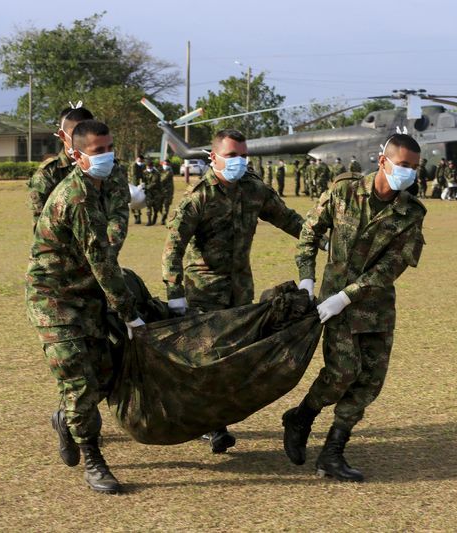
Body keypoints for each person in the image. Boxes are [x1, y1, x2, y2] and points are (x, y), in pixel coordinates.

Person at [282, 133, 426, 482]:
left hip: (373, 306)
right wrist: (306, 281)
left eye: (414, 168)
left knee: (369, 383)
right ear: (383, 161)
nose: (408, 173)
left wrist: (346, 294)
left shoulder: (412, 213)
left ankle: (333, 453)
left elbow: (390, 267)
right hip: (335, 309)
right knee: (342, 373)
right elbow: (308, 236)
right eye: (403, 165)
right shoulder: (343, 191)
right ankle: (302, 416)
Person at [162, 129, 305, 453]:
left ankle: (212, 420)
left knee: (235, 358)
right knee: (209, 358)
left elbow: (290, 221)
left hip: (241, 292)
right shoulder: (198, 197)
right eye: (231, 156)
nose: (239, 161)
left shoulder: (255, 191)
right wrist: (175, 293)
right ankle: (213, 425)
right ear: (213, 158)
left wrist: (325, 239)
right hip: (204, 291)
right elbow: (173, 248)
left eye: (243, 155)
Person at [26, 119, 145, 494]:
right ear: (77, 156)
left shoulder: (100, 187)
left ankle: (64, 419)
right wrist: (130, 314)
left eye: (110, 148)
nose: (107, 156)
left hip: (87, 294)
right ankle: (94, 461)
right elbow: (102, 261)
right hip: (55, 299)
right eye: (98, 151)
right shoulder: (75, 197)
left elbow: (105, 255)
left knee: (106, 375)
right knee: (78, 380)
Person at [28, 106, 130, 247]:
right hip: (64, 257)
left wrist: (106, 248)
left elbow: (119, 212)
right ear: (63, 136)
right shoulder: (48, 173)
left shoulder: (110, 168)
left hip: (103, 249)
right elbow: (42, 226)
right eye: (77, 131)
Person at [143, 159, 162, 226]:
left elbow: (154, 183)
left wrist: (146, 187)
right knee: (148, 206)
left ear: (152, 166)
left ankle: (155, 216)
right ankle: (149, 221)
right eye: (148, 166)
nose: (149, 167)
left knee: (156, 207)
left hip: (156, 192)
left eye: (150, 166)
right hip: (148, 193)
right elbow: (142, 181)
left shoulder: (156, 173)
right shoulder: (144, 172)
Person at [159, 159, 175, 224]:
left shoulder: (169, 171)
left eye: (166, 164)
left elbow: (163, 179)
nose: (165, 165)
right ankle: (163, 216)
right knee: (159, 205)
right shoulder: (161, 170)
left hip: (168, 191)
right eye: (164, 164)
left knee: (166, 205)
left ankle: (163, 219)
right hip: (161, 191)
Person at [130, 155, 145, 224]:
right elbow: (134, 175)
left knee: (137, 202)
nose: (141, 161)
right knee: (133, 202)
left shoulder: (140, 166)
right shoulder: (134, 165)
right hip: (134, 186)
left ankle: (138, 218)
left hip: (137, 185)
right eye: (140, 160)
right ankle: (137, 218)